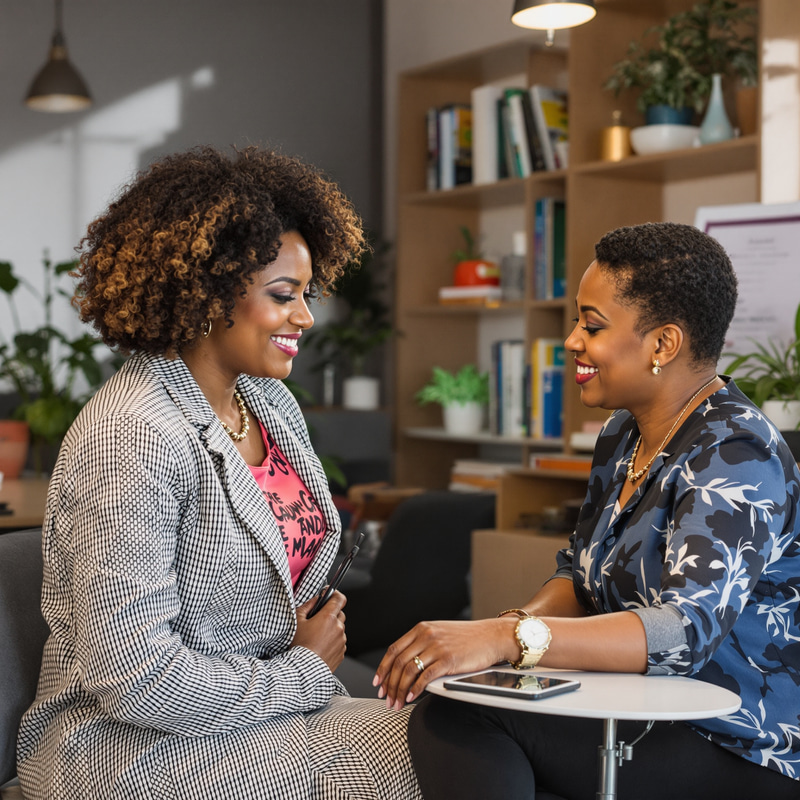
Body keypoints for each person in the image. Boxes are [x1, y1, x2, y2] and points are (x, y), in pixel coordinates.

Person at [17, 146, 422, 800]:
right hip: (121, 751)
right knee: (438, 754)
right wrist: (302, 670)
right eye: (283, 296)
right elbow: (134, 679)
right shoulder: (132, 434)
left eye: (307, 295)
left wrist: (291, 642)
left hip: (244, 716)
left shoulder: (267, 402)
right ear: (207, 291)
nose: (306, 318)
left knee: (458, 732)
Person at [374, 222, 800, 799]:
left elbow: (684, 631)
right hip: (634, 706)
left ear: (662, 344)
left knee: (466, 721)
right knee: (461, 698)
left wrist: (511, 640)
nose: (572, 340)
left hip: (731, 740)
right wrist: (492, 642)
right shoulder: (623, 431)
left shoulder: (735, 451)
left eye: (592, 325)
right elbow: (579, 576)